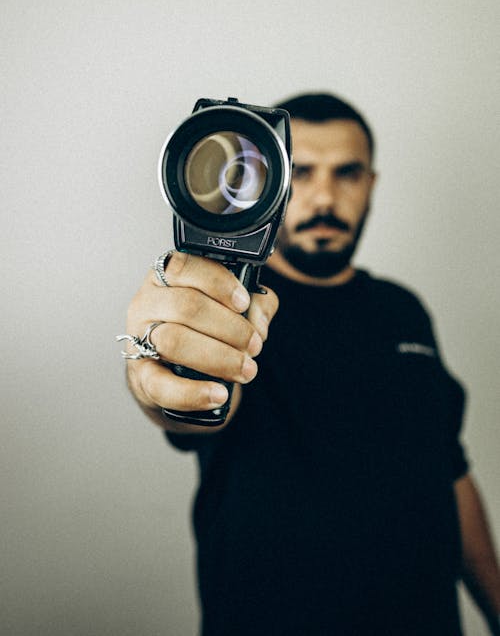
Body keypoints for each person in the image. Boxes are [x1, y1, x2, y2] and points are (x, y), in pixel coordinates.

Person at [123, 93, 500, 635]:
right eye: (301, 172)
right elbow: (190, 399)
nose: (324, 197)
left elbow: (448, 469)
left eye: (346, 174)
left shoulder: (403, 310)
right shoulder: (233, 304)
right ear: (265, 182)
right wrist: (156, 370)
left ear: (371, 185)